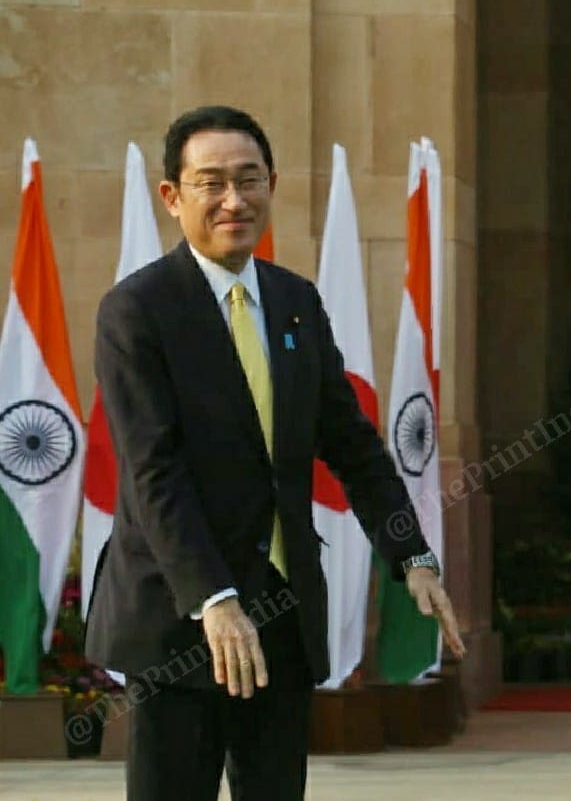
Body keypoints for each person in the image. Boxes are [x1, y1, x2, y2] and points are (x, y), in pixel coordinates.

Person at [85, 105, 464, 801]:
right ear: (173, 196)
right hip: (180, 623)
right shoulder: (136, 311)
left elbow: (352, 443)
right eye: (212, 183)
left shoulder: (295, 301)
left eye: (249, 179)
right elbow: (152, 471)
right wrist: (215, 599)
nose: (235, 200)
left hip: (279, 617)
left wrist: (410, 554)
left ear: (272, 184)